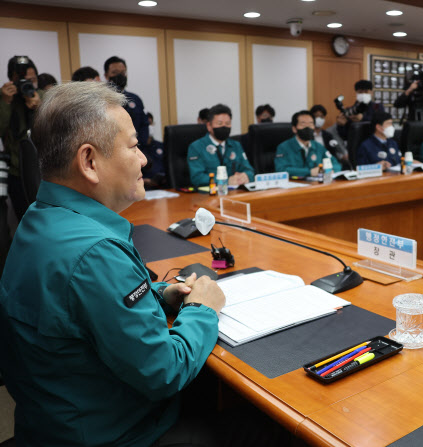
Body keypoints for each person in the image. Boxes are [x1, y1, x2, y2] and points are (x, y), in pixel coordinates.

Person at [0, 81, 226, 446]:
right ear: (89, 161)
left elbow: (78, 307)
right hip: (118, 433)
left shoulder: (38, 218)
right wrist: (202, 308)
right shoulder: (96, 252)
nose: (145, 159)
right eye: (134, 146)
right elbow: (164, 372)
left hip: (49, 422)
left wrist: (159, 292)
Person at [0, 55, 43, 221]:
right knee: (25, 220)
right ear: (11, 79)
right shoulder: (5, 98)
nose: (27, 83)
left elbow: (57, 130)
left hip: (45, 171)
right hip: (16, 171)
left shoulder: (43, 96)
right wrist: (5, 102)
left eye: (31, 79)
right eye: (22, 79)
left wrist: (40, 108)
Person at [187, 103, 254, 186]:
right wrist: (225, 181)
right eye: (219, 123)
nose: (224, 126)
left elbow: (249, 170)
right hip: (208, 195)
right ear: (209, 126)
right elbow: (197, 178)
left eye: (227, 123)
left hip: (234, 194)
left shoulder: (236, 145)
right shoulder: (196, 147)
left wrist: (246, 176)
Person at [275, 110, 342, 177]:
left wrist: (330, 170)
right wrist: (309, 172)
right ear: (294, 129)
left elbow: (336, 164)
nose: (308, 127)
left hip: (316, 185)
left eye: (310, 124)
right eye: (303, 124)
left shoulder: (318, 147)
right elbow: (281, 169)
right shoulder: (283, 147)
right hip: (294, 185)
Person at [104, 55, 150, 149]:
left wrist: (137, 146)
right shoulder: (102, 99)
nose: (120, 76)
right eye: (115, 72)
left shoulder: (135, 99)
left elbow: (144, 125)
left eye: (122, 72)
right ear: (106, 75)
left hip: (137, 149)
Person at [142, 112, 167, 189]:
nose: (149, 127)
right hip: (144, 190)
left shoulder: (161, 146)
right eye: (146, 124)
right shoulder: (136, 148)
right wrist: (144, 181)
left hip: (163, 188)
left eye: (150, 123)